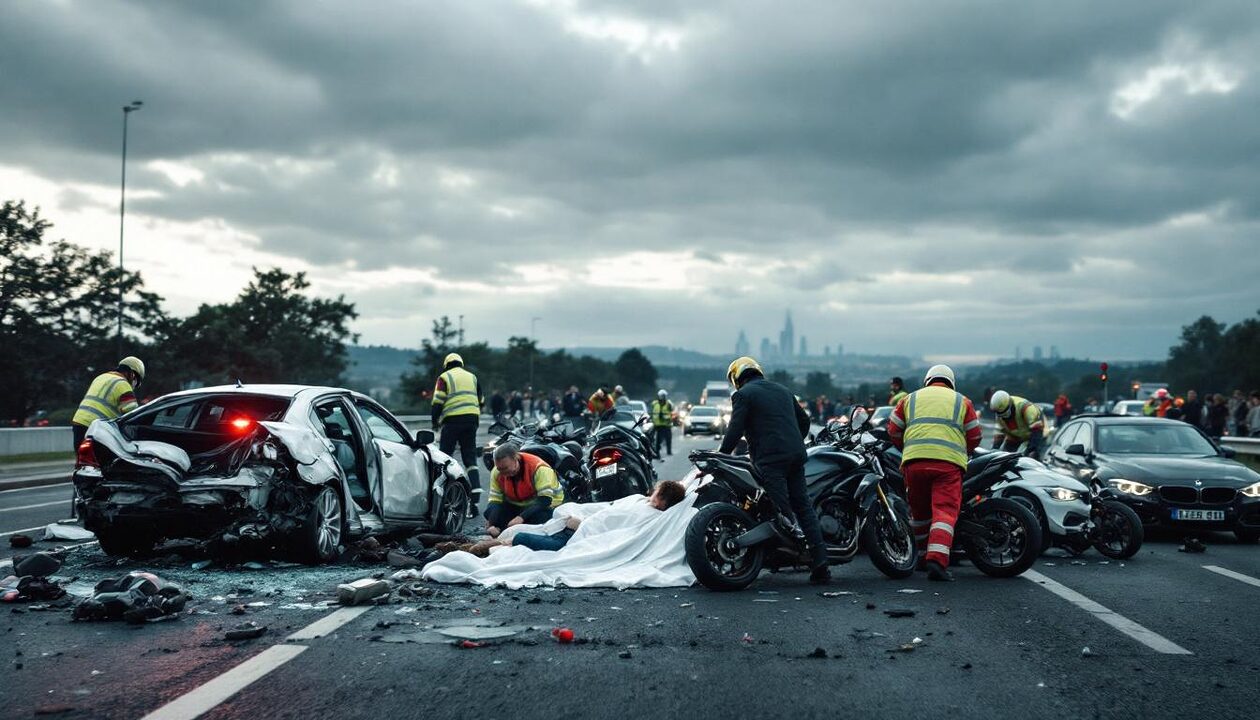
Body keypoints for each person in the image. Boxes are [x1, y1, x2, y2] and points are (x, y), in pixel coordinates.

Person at [719, 356, 830, 583]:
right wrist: (792, 441)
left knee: (781, 509)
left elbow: (735, 429)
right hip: (795, 455)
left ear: (737, 377)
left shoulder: (743, 395)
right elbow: (804, 421)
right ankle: (821, 562)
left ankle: (792, 553)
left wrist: (722, 455)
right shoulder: (783, 390)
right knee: (804, 507)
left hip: (769, 459)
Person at [887, 364, 981, 582]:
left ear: (927, 380)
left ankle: (921, 557)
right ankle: (937, 561)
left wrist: (908, 449)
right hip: (947, 465)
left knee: (919, 514)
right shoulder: (962, 401)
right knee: (944, 512)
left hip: (914, 463)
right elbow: (975, 436)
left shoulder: (910, 399)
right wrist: (962, 452)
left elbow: (893, 430)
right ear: (951, 382)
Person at [498, 480, 686, 552]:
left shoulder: (648, 513)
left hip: (581, 532)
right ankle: (501, 542)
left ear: (661, 499)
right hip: (580, 525)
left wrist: (583, 523)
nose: (652, 492)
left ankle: (498, 543)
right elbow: (609, 511)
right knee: (535, 534)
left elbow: (618, 529)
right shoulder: (641, 502)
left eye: (657, 492)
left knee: (533, 538)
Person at [431, 353, 483, 515]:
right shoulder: (472, 377)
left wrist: (435, 422)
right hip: (471, 420)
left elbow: (438, 401)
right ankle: (474, 500)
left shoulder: (444, 377)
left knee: (445, 458)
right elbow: (481, 400)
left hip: (452, 421)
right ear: (461, 363)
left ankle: (446, 496)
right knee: (470, 458)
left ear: (446, 365)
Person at [483, 442, 565, 538]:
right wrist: (491, 523)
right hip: (519, 506)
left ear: (516, 459)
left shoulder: (539, 468)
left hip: (547, 506)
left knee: (539, 518)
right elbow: (495, 501)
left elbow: (544, 500)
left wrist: (521, 517)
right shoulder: (497, 472)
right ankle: (501, 530)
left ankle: (513, 532)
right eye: (499, 469)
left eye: (505, 468)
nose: (503, 473)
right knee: (490, 513)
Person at [72, 357, 146, 449]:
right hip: (96, 428)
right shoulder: (122, 384)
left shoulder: (100, 377)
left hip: (79, 422)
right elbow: (132, 413)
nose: (134, 384)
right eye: (136, 380)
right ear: (131, 374)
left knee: (83, 456)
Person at [989, 389, 1046, 456]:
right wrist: (993, 450)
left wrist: (1031, 449)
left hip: (1036, 432)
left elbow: (1037, 431)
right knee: (1005, 456)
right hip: (1015, 435)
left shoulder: (1026, 408)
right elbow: (999, 433)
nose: (1004, 417)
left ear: (1010, 405)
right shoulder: (999, 413)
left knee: (1033, 455)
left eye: (1005, 414)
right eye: (1000, 415)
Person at [651, 389, 674, 457]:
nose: (662, 397)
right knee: (658, 440)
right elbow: (652, 412)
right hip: (657, 424)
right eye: (661, 396)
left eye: (663, 396)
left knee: (668, 438)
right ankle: (657, 452)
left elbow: (671, 411)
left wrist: (665, 417)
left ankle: (669, 451)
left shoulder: (668, 404)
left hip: (666, 424)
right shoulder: (655, 403)